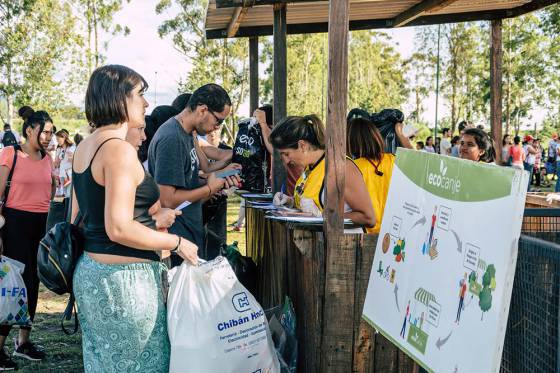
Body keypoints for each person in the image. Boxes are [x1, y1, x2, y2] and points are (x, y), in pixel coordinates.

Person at [71, 65, 198, 372]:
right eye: (140, 94)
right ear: (119, 99)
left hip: (92, 274)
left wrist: (154, 216)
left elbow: (84, 216)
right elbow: (118, 227)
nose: (145, 103)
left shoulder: (86, 146)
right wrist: (177, 241)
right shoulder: (118, 151)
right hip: (123, 283)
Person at [148, 84, 240, 265]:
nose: (217, 127)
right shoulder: (172, 138)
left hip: (188, 234)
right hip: (176, 242)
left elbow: (188, 179)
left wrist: (220, 176)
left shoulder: (188, 133)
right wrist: (209, 188)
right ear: (203, 110)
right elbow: (167, 199)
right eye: (219, 120)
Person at [0, 107, 55, 369]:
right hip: (13, 226)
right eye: (45, 132)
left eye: (51, 133)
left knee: (32, 284)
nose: (48, 137)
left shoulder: (48, 159)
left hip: (39, 226)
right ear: (30, 130)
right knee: (12, 286)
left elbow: (50, 193)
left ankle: (23, 343)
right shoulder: (11, 154)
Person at [270, 115, 375, 228]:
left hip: (342, 244)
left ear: (302, 146)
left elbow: (367, 217)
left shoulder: (340, 168)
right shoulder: (310, 167)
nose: (285, 160)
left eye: (286, 154)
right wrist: (291, 202)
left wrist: (323, 217)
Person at [346, 117, 394, 233]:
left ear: (351, 141)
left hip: (366, 233)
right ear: (376, 136)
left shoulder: (352, 168)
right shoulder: (394, 160)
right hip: (393, 232)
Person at [54, 129, 76, 199]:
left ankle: (69, 208)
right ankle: (65, 208)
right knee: (65, 194)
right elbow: (56, 164)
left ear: (64, 137)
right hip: (62, 174)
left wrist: (71, 157)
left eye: (58, 139)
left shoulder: (72, 147)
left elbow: (74, 160)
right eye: (56, 139)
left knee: (69, 194)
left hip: (69, 174)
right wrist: (57, 159)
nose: (57, 141)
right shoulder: (59, 149)